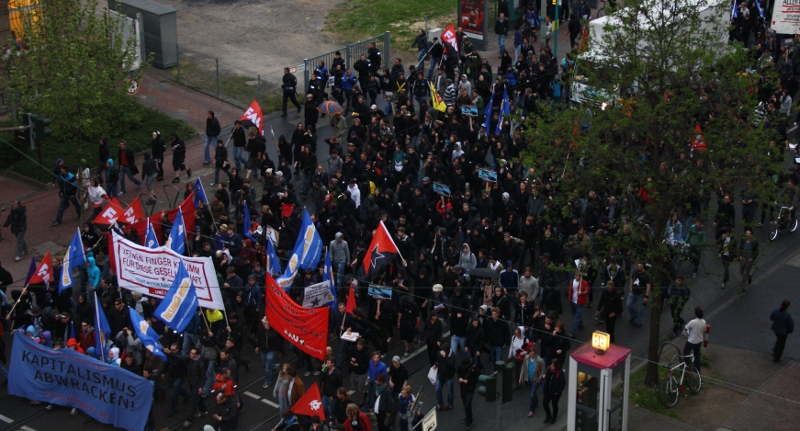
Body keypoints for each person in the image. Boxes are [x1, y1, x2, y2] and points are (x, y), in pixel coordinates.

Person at [183, 347, 208, 428]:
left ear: (196, 355)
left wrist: (201, 387)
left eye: (192, 353)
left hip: (196, 385)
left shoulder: (201, 365)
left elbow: (203, 377)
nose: (190, 354)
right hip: (192, 383)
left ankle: (189, 420)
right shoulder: (191, 360)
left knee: (194, 402)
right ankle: (203, 410)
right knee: (197, 398)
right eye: (190, 353)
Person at [519, 345, 545, 418]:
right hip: (528, 379)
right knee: (532, 393)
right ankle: (535, 402)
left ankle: (532, 409)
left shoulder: (540, 360)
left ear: (536, 353)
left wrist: (539, 379)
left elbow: (543, 370)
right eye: (530, 354)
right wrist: (521, 377)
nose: (531, 355)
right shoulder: (526, 358)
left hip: (535, 380)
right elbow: (523, 367)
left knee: (532, 394)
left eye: (533, 354)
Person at [457, 356, 479, 429]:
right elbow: (458, 372)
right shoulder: (462, 366)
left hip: (470, 389)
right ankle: (468, 416)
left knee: (467, 405)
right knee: (465, 403)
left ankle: (470, 421)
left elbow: (477, 379)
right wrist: (459, 377)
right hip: (463, 388)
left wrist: (468, 381)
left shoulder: (474, 369)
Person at [541, 358, 565, 425]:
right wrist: (544, 375)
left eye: (553, 366)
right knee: (545, 404)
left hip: (555, 392)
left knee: (554, 405)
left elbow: (563, 384)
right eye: (551, 365)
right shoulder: (549, 370)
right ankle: (548, 415)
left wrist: (558, 392)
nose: (552, 367)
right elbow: (546, 371)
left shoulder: (560, 373)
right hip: (548, 390)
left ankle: (554, 418)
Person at [683, 307, 706, 372]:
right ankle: (697, 369)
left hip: (692, 341)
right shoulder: (704, 321)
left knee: (686, 352)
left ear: (695, 314)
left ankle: (688, 366)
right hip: (699, 340)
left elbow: (685, 328)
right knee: (697, 354)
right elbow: (704, 331)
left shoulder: (693, 322)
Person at [434, 343, 455, 411]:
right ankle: (440, 404)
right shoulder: (440, 354)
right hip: (441, 375)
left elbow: (451, 365)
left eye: (442, 351)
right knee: (437, 390)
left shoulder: (452, 355)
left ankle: (450, 404)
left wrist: (445, 357)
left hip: (449, 376)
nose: (441, 352)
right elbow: (438, 360)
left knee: (450, 391)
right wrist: (436, 364)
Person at [738, 228, 758, 292]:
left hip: (749, 260)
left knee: (744, 275)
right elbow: (740, 247)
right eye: (746, 233)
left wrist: (752, 258)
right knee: (741, 271)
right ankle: (749, 276)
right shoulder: (743, 240)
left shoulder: (754, 242)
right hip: (743, 258)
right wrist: (740, 255)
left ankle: (742, 287)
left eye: (748, 233)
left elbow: (756, 251)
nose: (747, 235)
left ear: (751, 235)